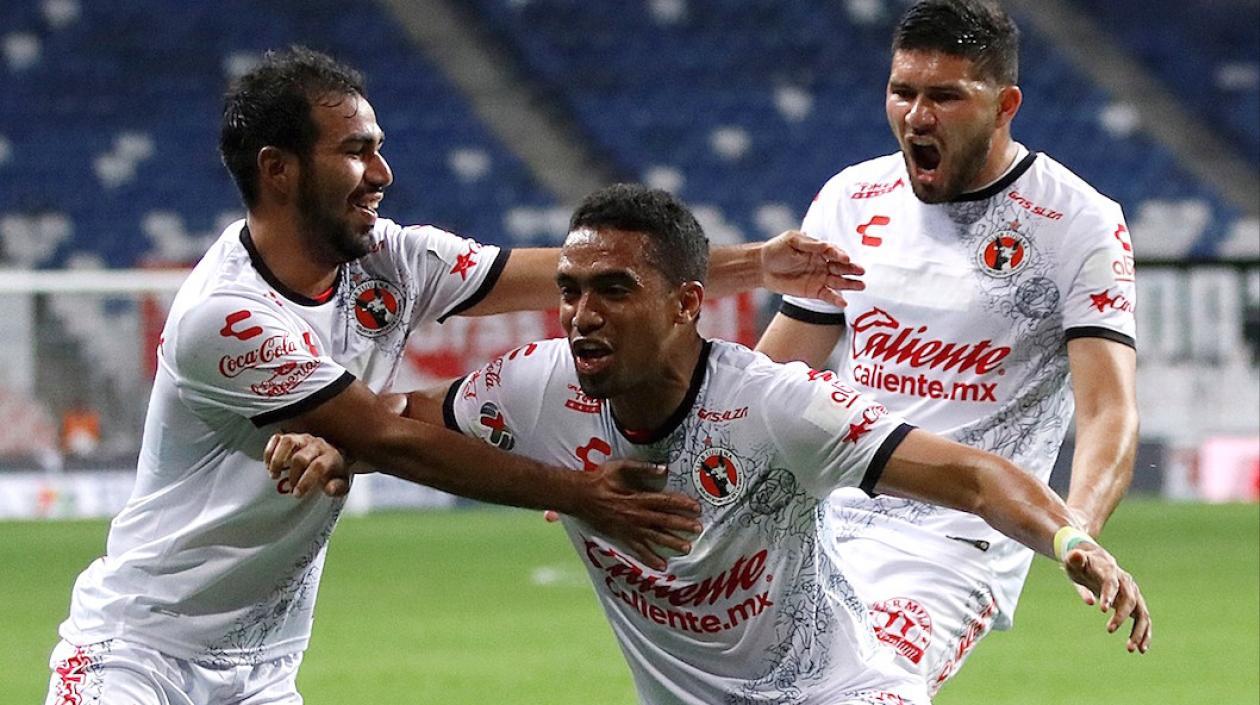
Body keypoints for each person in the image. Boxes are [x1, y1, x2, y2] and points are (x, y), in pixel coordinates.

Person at [44, 47, 865, 705]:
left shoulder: (389, 259)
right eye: (356, 151)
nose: (383, 172)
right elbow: (391, 439)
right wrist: (583, 493)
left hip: (261, 665)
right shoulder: (225, 315)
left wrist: (756, 263)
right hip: (143, 653)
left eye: (380, 147)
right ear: (280, 169)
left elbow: (575, 271)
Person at [269, 184, 1149, 705]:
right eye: (570, 291)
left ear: (688, 304)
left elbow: (971, 473)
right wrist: (340, 449)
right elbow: (402, 420)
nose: (581, 315)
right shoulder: (538, 387)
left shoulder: (778, 407)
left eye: (614, 290)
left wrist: (1070, 538)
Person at [754, 0, 1142, 694]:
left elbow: (1109, 407)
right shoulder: (852, 199)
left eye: (945, 96)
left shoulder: (1076, 222)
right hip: (821, 512)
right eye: (903, 92)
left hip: (956, 539)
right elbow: (775, 371)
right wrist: (665, 451)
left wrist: (1072, 528)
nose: (917, 116)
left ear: (1004, 104)